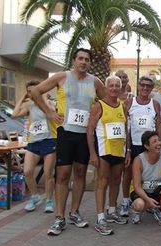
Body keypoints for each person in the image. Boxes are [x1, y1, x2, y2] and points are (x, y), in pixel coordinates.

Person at [30, 48, 105, 236]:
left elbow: (107, 102)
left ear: (90, 63)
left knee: (80, 173)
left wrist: (97, 118)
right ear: (74, 60)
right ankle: (59, 217)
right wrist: (49, 113)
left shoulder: (95, 81)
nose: (83, 62)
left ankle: (74, 212)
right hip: (65, 132)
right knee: (63, 175)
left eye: (87, 59)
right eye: (80, 58)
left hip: (84, 135)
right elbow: (36, 92)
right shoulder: (61, 77)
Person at [87, 76, 130, 235]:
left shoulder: (122, 106)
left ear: (120, 88)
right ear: (106, 88)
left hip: (119, 151)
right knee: (102, 182)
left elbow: (126, 130)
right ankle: (100, 217)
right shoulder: (99, 105)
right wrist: (92, 153)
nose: (114, 88)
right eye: (111, 85)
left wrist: (128, 151)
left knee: (116, 181)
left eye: (117, 85)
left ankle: (112, 210)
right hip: (104, 150)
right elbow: (90, 131)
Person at [12, 80, 58, 213]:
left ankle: (49, 201)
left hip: (49, 141)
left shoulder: (49, 103)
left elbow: (52, 112)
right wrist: (22, 98)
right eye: (29, 91)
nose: (31, 93)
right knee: (27, 171)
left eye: (34, 90)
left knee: (48, 173)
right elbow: (14, 114)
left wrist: (42, 96)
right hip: (34, 142)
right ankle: (35, 196)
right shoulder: (29, 106)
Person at [120, 76, 161, 217]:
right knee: (128, 174)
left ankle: (150, 201)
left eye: (148, 86)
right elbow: (126, 127)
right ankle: (126, 202)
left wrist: (158, 144)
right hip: (134, 145)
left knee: (150, 174)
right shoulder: (128, 103)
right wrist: (127, 149)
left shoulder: (155, 104)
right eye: (143, 85)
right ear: (138, 86)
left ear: (151, 88)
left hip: (149, 146)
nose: (145, 88)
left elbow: (158, 125)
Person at [131, 131, 161, 226]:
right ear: (147, 146)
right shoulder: (138, 160)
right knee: (139, 205)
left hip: (158, 189)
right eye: (154, 141)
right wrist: (148, 200)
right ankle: (138, 212)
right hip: (143, 191)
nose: (159, 143)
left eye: (159, 140)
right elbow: (137, 186)